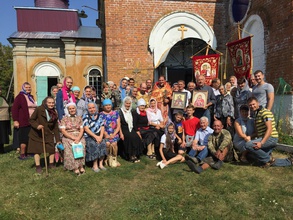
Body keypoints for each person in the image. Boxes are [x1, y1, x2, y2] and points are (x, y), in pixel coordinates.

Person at [244, 97, 292, 167]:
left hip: (271, 138)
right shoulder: (257, 114)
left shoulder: (265, 112)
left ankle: (269, 159)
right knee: (257, 159)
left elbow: (269, 129)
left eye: (253, 104)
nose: (252, 106)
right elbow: (258, 132)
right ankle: (289, 161)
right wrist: (250, 137)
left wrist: (261, 143)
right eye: (250, 105)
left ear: (258, 103)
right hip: (264, 138)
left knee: (248, 145)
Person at [27, 97, 60, 174]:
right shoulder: (39, 109)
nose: (51, 104)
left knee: (51, 149)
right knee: (37, 150)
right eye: (49, 103)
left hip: (48, 133)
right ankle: (38, 166)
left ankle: (51, 164)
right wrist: (37, 126)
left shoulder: (54, 111)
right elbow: (31, 120)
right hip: (37, 134)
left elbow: (55, 127)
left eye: (52, 103)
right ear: (45, 103)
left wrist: (58, 139)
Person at [12, 82, 37, 159]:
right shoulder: (20, 97)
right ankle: (22, 154)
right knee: (24, 138)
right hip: (24, 121)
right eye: (26, 87)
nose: (28, 89)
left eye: (29, 87)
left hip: (32, 121)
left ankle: (29, 152)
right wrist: (15, 120)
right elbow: (14, 109)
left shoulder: (31, 97)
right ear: (23, 88)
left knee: (30, 137)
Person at [60, 103, 86, 175]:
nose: (72, 110)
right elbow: (63, 131)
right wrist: (73, 138)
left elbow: (81, 129)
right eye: (70, 109)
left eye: (73, 108)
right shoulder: (64, 119)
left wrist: (78, 138)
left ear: (75, 109)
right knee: (70, 146)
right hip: (68, 136)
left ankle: (81, 166)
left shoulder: (79, 118)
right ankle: (74, 167)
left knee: (81, 145)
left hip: (78, 135)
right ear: (68, 110)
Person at [83, 102, 107, 173]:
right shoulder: (85, 116)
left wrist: (101, 136)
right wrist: (96, 137)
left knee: (102, 143)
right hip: (89, 136)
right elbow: (86, 129)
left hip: (99, 135)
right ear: (87, 109)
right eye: (90, 108)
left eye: (93, 107)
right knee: (93, 144)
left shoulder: (100, 116)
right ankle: (94, 165)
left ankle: (101, 164)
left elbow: (102, 126)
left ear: (96, 108)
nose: (92, 109)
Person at [119, 96, 143, 163]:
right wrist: (121, 133)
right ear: (124, 103)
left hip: (130, 128)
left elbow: (134, 123)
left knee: (136, 137)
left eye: (129, 103)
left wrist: (137, 131)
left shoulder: (132, 111)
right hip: (123, 128)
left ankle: (135, 154)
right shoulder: (120, 112)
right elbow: (119, 124)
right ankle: (129, 155)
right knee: (130, 137)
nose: (128, 105)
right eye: (126, 103)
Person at [99, 99, 121, 167]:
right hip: (105, 133)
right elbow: (101, 126)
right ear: (103, 106)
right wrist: (105, 134)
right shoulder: (101, 114)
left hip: (114, 133)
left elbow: (118, 125)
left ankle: (114, 158)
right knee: (107, 144)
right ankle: (107, 158)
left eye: (109, 105)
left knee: (114, 143)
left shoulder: (116, 113)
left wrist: (114, 134)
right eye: (106, 105)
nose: (108, 106)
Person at [0, 86, 11, 154]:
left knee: (3, 135)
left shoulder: (3, 98)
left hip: (5, 120)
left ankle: (1, 149)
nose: (0, 91)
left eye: (0, 90)